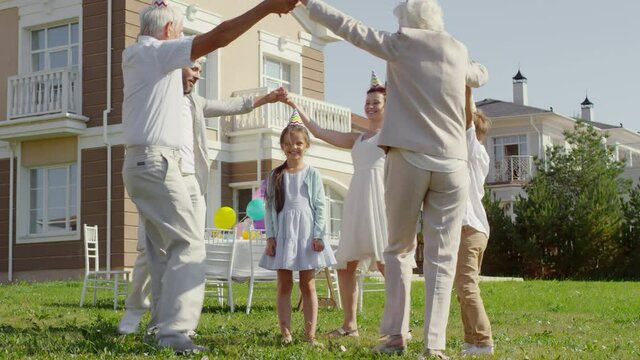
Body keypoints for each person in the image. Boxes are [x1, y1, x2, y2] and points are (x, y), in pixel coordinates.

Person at [298, 0, 488, 358]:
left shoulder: (401, 43)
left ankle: (396, 336)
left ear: (406, 21)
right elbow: (480, 75)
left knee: (399, 249)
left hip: (408, 158)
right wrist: (469, 65)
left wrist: (310, 4)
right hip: (453, 164)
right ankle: (434, 345)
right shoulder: (458, 50)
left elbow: (350, 28)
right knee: (441, 259)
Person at [121, 0, 298, 353]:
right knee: (189, 246)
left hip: (138, 164)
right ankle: (175, 334)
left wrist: (261, 99)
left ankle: (160, 326)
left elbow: (227, 104)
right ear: (170, 31)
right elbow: (220, 36)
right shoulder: (158, 53)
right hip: (160, 164)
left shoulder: (138, 57)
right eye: (182, 31)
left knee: (162, 253)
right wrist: (266, 7)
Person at [285, 72, 388, 338]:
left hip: (381, 199)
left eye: (377, 102)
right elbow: (320, 132)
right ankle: (349, 324)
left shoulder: (394, 134)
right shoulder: (358, 138)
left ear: (388, 105)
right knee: (347, 265)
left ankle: (397, 325)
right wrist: (297, 107)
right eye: (368, 102)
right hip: (357, 199)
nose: (371, 106)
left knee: (387, 263)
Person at [259, 112, 337, 347]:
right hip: (284, 234)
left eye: (298, 143)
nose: (294, 147)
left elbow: (320, 205)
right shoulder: (275, 175)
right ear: (282, 146)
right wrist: (271, 237)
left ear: (307, 145)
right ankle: (285, 333)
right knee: (284, 284)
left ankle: (310, 335)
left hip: (306, 234)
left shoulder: (312, 173)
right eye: (289, 144)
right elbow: (270, 207)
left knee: (308, 284)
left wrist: (318, 234)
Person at [454, 86, 493, 356]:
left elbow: (468, 116)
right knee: (463, 286)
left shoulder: (473, 148)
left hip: (470, 227)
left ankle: (483, 341)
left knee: (467, 286)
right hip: (472, 228)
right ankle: (471, 341)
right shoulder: (475, 153)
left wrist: (466, 85)